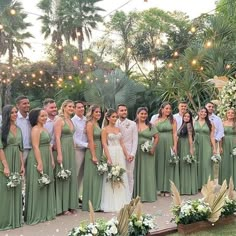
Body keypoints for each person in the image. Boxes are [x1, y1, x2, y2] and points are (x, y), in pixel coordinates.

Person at [25, 108, 56, 224]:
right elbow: (35, 146)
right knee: (38, 185)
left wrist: (51, 159)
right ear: (36, 117)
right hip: (38, 157)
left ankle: (45, 212)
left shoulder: (45, 128)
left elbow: (48, 145)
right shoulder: (35, 129)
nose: (44, 118)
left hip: (47, 157)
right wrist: (40, 162)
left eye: (45, 116)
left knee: (46, 184)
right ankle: (36, 213)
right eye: (42, 116)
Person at [101, 108, 130, 212]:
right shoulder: (104, 130)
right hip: (111, 152)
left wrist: (127, 155)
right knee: (112, 176)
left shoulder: (118, 129)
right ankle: (112, 202)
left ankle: (122, 201)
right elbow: (104, 144)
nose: (115, 118)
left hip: (119, 153)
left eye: (116, 117)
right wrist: (108, 158)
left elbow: (122, 143)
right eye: (113, 117)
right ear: (108, 117)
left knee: (121, 175)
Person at [0, 105, 24, 230]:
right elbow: (0, 149)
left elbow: (20, 148)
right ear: (6, 115)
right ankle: (4, 220)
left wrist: (22, 164)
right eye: (12, 113)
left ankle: (15, 219)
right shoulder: (1, 130)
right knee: (5, 191)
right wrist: (5, 166)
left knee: (16, 189)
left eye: (15, 112)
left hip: (16, 161)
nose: (15, 114)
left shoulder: (19, 129)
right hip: (6, 161)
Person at [54, 100, 78, 215]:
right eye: (69, 106)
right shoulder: (59, 120)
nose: (72, 108)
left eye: (73, 106)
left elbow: (71, 134)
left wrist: (73, 143)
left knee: (71, 176)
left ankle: (70, 204)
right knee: (63, 176)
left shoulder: (70, 120)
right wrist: (59, 154)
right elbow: (57, 137)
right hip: (63, 148)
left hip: (71, 150)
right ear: (64, 107)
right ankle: (63, 207)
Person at [153, 102, 179, 195]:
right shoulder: (156, 120)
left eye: (170, 109)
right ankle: (159, 187)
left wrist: (175, 145)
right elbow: (153, 133)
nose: (168, 110)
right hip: (159, 144)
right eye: (166, 108)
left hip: (169, 142)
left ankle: (168, 188)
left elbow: (175, 133)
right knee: (159, 163)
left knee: (169, 164)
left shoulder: (173, 120)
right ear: (162, 109)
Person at [133, 107, 158, 202]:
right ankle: (136, 195)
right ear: (137, 114)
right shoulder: (133, 125)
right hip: (136, 151)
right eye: (141, 114)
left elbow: (156, 137)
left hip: (148, 152)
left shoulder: (151, 125)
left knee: (148, 172)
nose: (143, 115)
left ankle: (148, 195)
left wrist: (153, 148)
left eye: (145, 114)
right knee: (136, 171)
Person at [82, 105, 103, 211]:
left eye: (99, 112)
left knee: (97, 177)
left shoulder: (97, 123)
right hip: (92, 152)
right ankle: (91, 204)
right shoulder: (90, 124)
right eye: (96, 112)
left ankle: (97, 201)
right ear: (92, 113)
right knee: (92, 177)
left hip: (99, 150)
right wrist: (94, 156)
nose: (98, 114)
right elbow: (90, 140)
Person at [116, 104, 138, 198]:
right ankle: (120, 196)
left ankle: (129, 196)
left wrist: (132, 153)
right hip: (116, 152)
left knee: (129, 174)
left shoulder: (132, 124)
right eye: (121, 110)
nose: (124, 112)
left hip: (129, 152)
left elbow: (135, 139)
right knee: (118, 173)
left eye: (125, 110)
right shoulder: (114, 123)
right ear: (117, 112)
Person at [194, 107, 217, 189]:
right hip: (196, 145)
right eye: (201, 111)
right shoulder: (194, 122)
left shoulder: (210, 123)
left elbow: (212, 137)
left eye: (205, 112)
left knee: (206, 164)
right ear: (198, 112)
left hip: (207, 145)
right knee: (197, 163)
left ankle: (207, 185)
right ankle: (197, 185)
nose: (203, 113)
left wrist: (214, 148)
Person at [177, 111, 198, 195]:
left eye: (188, 117)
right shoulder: (182, 124)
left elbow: (190, 138)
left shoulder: (189, 125)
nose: (186, 118)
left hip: (185, 146)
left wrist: (191, 149)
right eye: (185, 116)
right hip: (180, 146)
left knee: (185, 165)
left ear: (190, 118)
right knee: (182, 166)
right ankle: (182, 187)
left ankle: (187, 188)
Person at [71, 101, 88, 197]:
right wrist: (86, 144)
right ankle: (73, 196)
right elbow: (74, 138)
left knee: (82, 175)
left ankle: (78, 196)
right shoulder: (73, 121)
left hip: (86, 150)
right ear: (74, 109)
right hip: (77, 150)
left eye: (82, 107)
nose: (81, 109)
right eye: (79, 107)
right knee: (76, 174)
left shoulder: (86, 119)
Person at [219, 108, 236, 186]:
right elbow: (221, 136)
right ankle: (225, 183)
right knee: (225, 162)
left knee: (234, 162)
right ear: (226, 114)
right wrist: (220, 147)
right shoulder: (222, 123)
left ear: (234, 114)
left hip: (234, 144)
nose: (230, 114)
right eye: (228, 113)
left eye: (232, 113)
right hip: (225, 144)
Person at [16, 95, 31, 164]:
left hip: (31, 149)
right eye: (24, 103)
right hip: (19, 150)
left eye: (28, 103)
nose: (27, 105)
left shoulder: (31, 117)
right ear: (18, 105)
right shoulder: (15, 118)